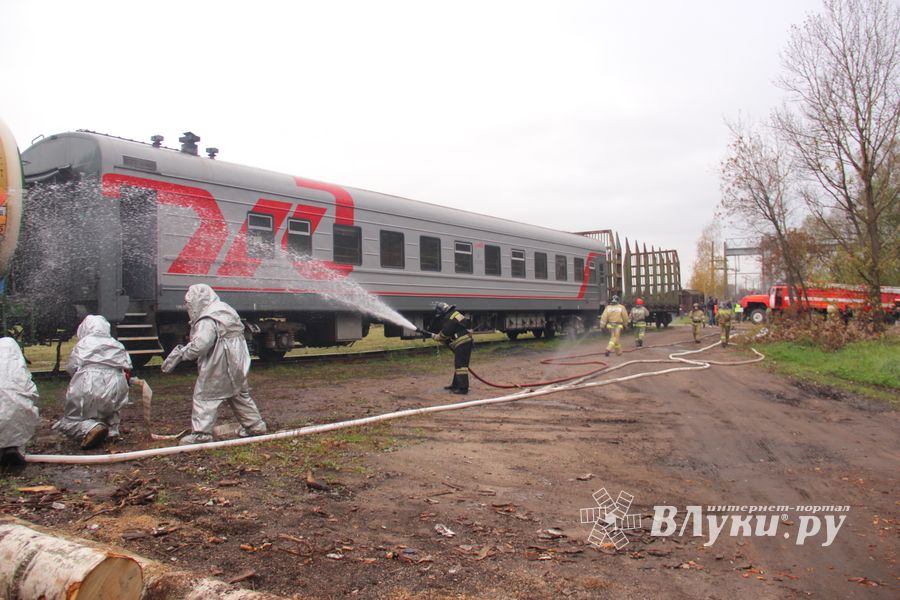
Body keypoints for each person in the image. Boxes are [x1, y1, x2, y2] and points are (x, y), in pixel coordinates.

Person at [162, 284, 267, 444]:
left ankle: (201, 435)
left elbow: (201, 344)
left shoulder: (208, 317)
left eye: (190, 303)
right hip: (238, 361)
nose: (188, 307)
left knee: (205, 397)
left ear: (198, 301)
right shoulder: (226, 310)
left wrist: (181, 354)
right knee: (238, 394)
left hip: (220, 363)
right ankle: (255, 426)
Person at [53, 315, 132, 450]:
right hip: (117, 385)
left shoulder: (84, 344)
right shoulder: (117, 344)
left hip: (88, 382)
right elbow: (128, 367)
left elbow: (72, 367)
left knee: (70, 421)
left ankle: (90, 428)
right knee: (111, 407)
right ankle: (112, 430)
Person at [0, 338, 40, 468]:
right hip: (19, 418)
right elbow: (33, 394)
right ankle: (13, 448)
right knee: (21, 411)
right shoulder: (20, 372)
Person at [430, 302, 474, 394]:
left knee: (461, 366)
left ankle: (463, 389)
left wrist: (436, 337)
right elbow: (466, 323)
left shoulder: (449, 318)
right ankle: (456, 385)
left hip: (463, 343)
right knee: (459, 364)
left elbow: (444, 334)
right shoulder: (455, 314)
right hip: (465, 341)